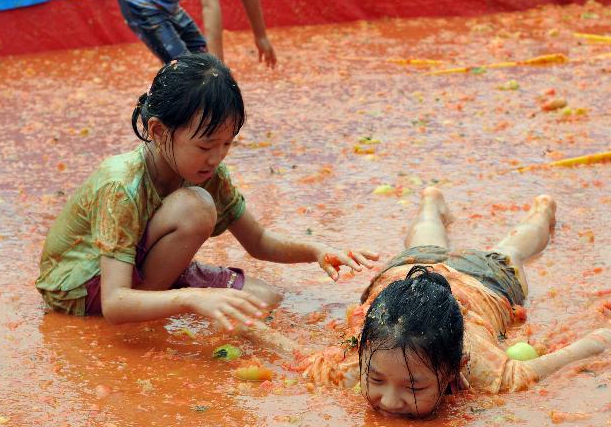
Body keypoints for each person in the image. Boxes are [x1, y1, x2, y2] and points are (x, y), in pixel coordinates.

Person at [36, 54, 376, 328]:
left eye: (227, 144)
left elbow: (257, 242)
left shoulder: (208, 169)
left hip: (137, 262)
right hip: (79, 286)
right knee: (196, 206)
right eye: (205, 145)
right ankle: (153, 300)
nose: (216, 157)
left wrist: (316, 250)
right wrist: (191, 298)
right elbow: (114, 303)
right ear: (157, 131)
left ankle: (160, 294)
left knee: (263, 300)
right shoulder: (121, 183)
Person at [300, 187, 611, 418]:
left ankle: (542, 210)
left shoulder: (480, 367)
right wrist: (251, 328)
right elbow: (290, 353)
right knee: (433, 244)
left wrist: (606, 336)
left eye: (413, 385)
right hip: (408, 270)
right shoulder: (356, 359)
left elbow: (547, 364)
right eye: (374, 380)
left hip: (482, 282)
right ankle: (432, 202)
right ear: (362, 359)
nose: (389, 400)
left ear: (454, 371)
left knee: (509, 253)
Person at [117, 0, 277, 67]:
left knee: (201, 60)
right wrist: (217, 70)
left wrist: (261, 36)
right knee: (187, 69)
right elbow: (210, 7)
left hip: (167, 5)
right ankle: (166, 125)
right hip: (139, 4)